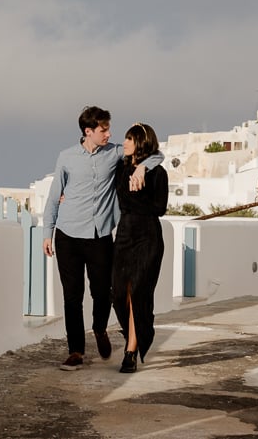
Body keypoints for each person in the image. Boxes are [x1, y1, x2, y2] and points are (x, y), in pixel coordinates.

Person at [42, 106, 163, 371]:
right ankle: (75, 351)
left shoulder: (115, 153)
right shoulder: (66, 157)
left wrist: (142, 167)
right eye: (103, 130)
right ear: (88, 132)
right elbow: (54, 197)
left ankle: (99, 329)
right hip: (67, 235)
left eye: (108, 128)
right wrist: (46, 233)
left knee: (101, 292)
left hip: (100, 236)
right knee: (72, 296)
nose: (109, 134)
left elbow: (157, 153)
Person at [112, 122, 168, 373]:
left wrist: (144, 170)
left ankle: (131, 350)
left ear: (140, 144)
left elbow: (160, 207)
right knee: (118, 294)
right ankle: (139, 333)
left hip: (148, 236)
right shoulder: (121, 168)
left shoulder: (158, 173)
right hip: (124, 235)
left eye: (129, 139)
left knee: (138, 292)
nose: (124, 143)